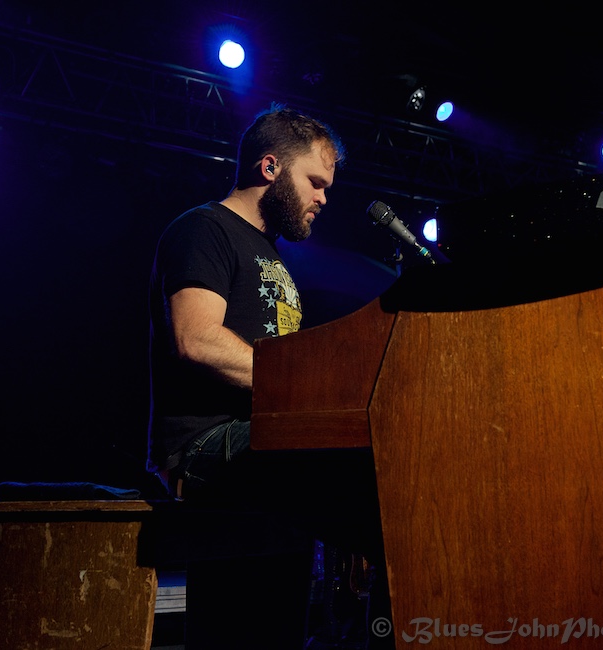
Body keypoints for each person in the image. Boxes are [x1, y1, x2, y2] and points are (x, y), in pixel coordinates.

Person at [145, 104, 391, 649]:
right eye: (316, 182)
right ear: (271, 167)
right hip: (204, 445)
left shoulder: (274, 257)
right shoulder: (203, 228)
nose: (325, 198)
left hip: (264, 440)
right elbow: (196, 339)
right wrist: (308, 395)